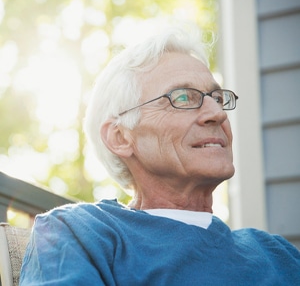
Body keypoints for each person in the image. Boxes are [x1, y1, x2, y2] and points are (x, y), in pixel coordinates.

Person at [20, 25, 300, 285]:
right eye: (182, 98)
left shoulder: (276, 254)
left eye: (217, 98)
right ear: (120, 137)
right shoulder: (79, 232)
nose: (217, 113)